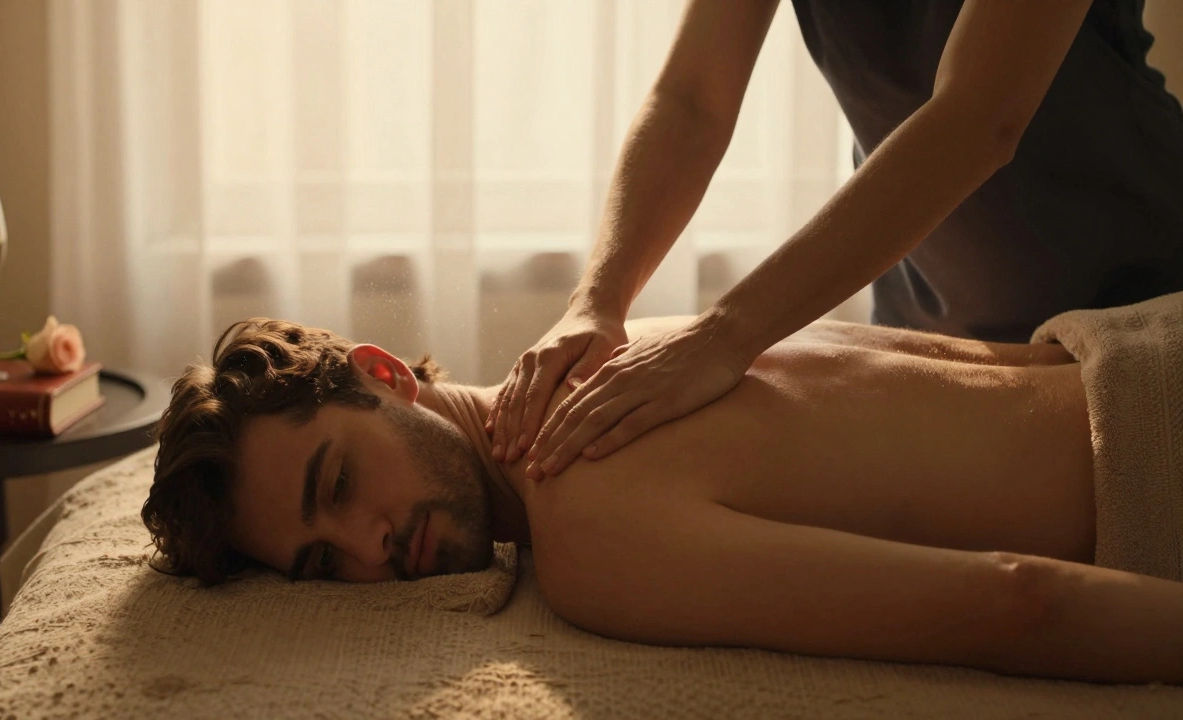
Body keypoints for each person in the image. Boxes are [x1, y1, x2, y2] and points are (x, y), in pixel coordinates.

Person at [142, 308, 1183, 685]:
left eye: (338, 483)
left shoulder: (588, 534)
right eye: (323, 563)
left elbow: (1015, 600)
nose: (371, 549)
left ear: (382, 374)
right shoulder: (608, 345)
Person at [487, 0, 1183, 482]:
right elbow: (692, 101)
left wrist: (722, 335)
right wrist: (597, 300)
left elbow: (979, 116)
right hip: (936, 320)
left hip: (1144, 294)